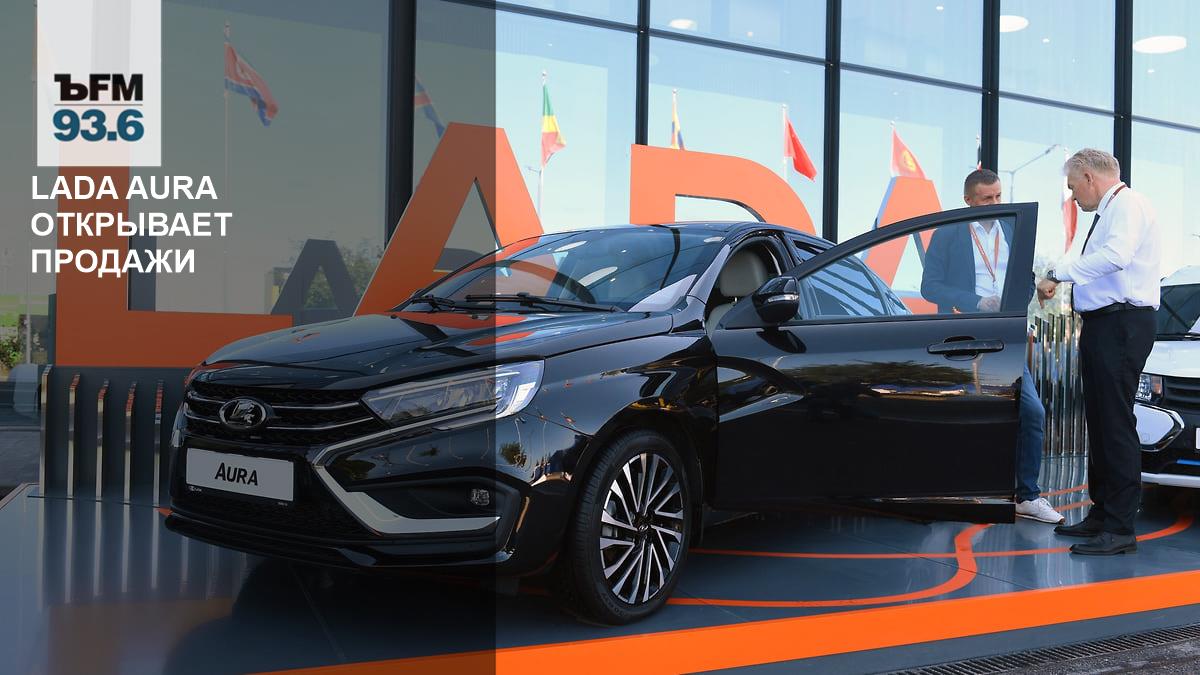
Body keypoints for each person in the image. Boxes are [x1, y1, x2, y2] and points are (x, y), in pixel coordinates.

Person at [921, 169, 1061, 524]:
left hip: (1005, 333)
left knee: (1032, 412)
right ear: (969, 200)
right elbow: (929, 286)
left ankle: (1027, 497)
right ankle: (950, 490)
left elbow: (1026, 281)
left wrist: (1012, 303)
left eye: (999, 196)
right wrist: (976, 301)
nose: (996, 203)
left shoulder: (1012, 230)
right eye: (987, 198)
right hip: (961, 334)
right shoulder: (948, 232)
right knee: (959, 412)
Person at [1039, 149, 1161, 555]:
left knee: (1115, 422)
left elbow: (1115, 257)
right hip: (1106, 324)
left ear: (1090, 178)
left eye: (1073, 187)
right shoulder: (1111, 210)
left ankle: (1120, 527)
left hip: (1122, 323)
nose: (1073, 197)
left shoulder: (1127, 205)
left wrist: (1057, 273)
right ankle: (1103, 513)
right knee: (1101, 420)